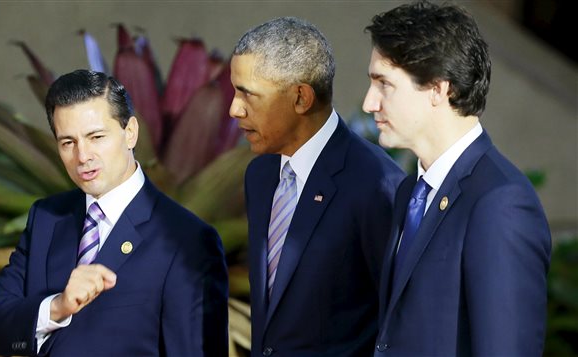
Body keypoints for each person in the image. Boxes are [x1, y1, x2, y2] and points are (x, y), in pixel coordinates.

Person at [0, 69, 228, 356]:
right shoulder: (47, 217)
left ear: (130, 132)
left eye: (96, 137)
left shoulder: (188, 239)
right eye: (68, 142)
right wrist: (57, 307)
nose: (83, 156)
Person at [362, 1, 552, 356]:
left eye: (384, 84)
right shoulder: (410, 192)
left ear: (438, 88)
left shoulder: (500, 203)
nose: (369, 103)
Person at [230, 17, 404, 356]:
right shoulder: (260, 175)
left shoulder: (378, 186)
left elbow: (399, 322)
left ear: (300, 98)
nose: (234, 109)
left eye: (248, 95)